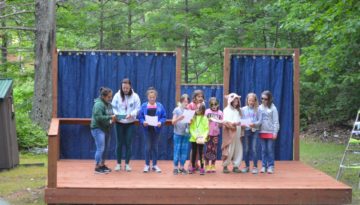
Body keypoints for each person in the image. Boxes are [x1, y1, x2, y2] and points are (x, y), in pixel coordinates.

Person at [111, 78, 141, 172]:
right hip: (119, 123)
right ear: (121, 87)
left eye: (127, 88)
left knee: (128, 143)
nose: (125, 90)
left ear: (130, 87)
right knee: (119, 144)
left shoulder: (135, 96)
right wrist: (116, 114)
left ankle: (127, 164)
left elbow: (138, 108)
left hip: (130, 123)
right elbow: (113, 107)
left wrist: (131, 114)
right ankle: (118, 164)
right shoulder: (117, 95)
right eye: (124, 88)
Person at [138, 87, 167, 173]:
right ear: (147, 97)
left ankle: (154, 165)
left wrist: (160, 122)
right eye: (150, 97)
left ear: (156, 97)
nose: (152, 99)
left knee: (155, 147)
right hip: (147, 129)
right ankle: (147, 165)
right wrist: (143, 122)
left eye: (153, 97)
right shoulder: (143, 105)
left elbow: (164, 116)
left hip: (156, 129)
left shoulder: (160, 105)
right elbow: (140, 116)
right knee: (147, 147)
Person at [90, 87, 116, 174]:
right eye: (109, 97)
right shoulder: (98, 104)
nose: (110, 98)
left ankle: (102, 165)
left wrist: (115, 117)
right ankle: (97, 167)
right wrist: (110, 117)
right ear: (103, 96)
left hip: (106, 128)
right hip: (97, 129)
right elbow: (98, 117)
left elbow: (110, 114)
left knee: (105, 149)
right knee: (100, 148)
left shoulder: (108, 104)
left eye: (111, 96)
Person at [258, 90, 279, 174]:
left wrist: (275, 132)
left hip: (270, 132)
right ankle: (264, 166)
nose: (263, 100)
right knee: (263, 150)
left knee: (270, 149)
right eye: (262, 98)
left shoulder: (273, 108)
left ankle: (270, 166)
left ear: (269, 99)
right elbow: (257, 120)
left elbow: (276, 121)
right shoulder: (259, 108)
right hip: (262, 132)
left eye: (265, 99)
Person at [221, 93, 243, 174]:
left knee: (238, 149)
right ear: (231, 101)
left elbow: (240, 121)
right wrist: (233, 124)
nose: (236, 101)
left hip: (237, 134)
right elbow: (225, 121)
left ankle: (236, 166)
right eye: (234, 100)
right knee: (229, 149)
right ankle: (225, 165)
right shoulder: (226, 110)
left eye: (237, 100)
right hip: (229, 133)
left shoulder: (237, 111)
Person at [241, 93, 260, 174]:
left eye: (253, 100)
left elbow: (260, 121)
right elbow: (241, 120)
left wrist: (254, 124)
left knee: (254, 148)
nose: (251, 102)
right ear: (247, 101)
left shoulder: (258, 109)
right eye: (249, 100)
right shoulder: (243, 109)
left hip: (255, 131)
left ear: (255, 101)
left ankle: (255, 167)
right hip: (246, 130)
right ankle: (246, 166)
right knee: (246, 149)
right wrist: (243, 124)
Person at [172, 94, 191, 175]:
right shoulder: (177, 110)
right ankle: (175, 167)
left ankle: (182, 167)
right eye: (184, 101)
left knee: (184, 151)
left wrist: (190, 122)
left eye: (187, 102)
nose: (186, 103)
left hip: (186, 134)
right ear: (181, 101)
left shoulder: (189, 110)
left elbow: (190, 122)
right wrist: (179, 118)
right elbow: (173, 122)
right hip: (177, 134)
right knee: (177, 150)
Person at [188, 104, 209, 175]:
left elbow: (206, 129)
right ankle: (193, 166)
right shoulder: (193, 118)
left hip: (201, 139)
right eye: (196, 109)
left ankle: (202, 168)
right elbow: (191, 128)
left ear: (202, 110)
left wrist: (202, 137)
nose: (197, 110)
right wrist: (195, 136)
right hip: (194, 138)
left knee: (201, 153)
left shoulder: (205, 118)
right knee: (194, 153)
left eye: (199, 109)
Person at [204, 97, 223, 173]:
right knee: (208, 149)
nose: (214, 106)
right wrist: (207, 120)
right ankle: (207, 165)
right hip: (208, 134)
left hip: (216, 134)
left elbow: (221, 124)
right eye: (212, 105)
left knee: (214, 149)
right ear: (209, 105)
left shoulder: (220, 113)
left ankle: (213, 165)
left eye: (215, 104)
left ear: (218, 104)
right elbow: (203, 122)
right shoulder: (207, 112)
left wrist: (220, 124)